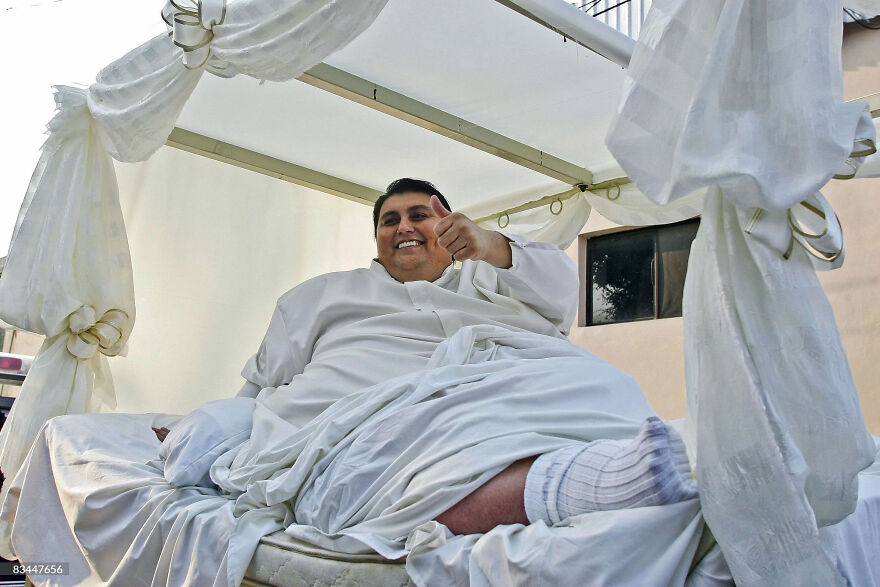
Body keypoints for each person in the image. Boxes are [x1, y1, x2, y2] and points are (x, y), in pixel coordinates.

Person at [3, 178, 696, 586]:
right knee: (409, 451)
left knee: (589, 374)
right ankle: (592, 483)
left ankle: (599, 462)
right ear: (375, 239)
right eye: (389, 219)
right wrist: (209, 433)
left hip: (493, 390)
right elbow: (258, 395)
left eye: (420, 213)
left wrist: (490, 247)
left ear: (447, 225)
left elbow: (559, 293)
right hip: (366, 424)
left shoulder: (489, 287)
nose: (405, 226)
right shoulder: (321, 295)